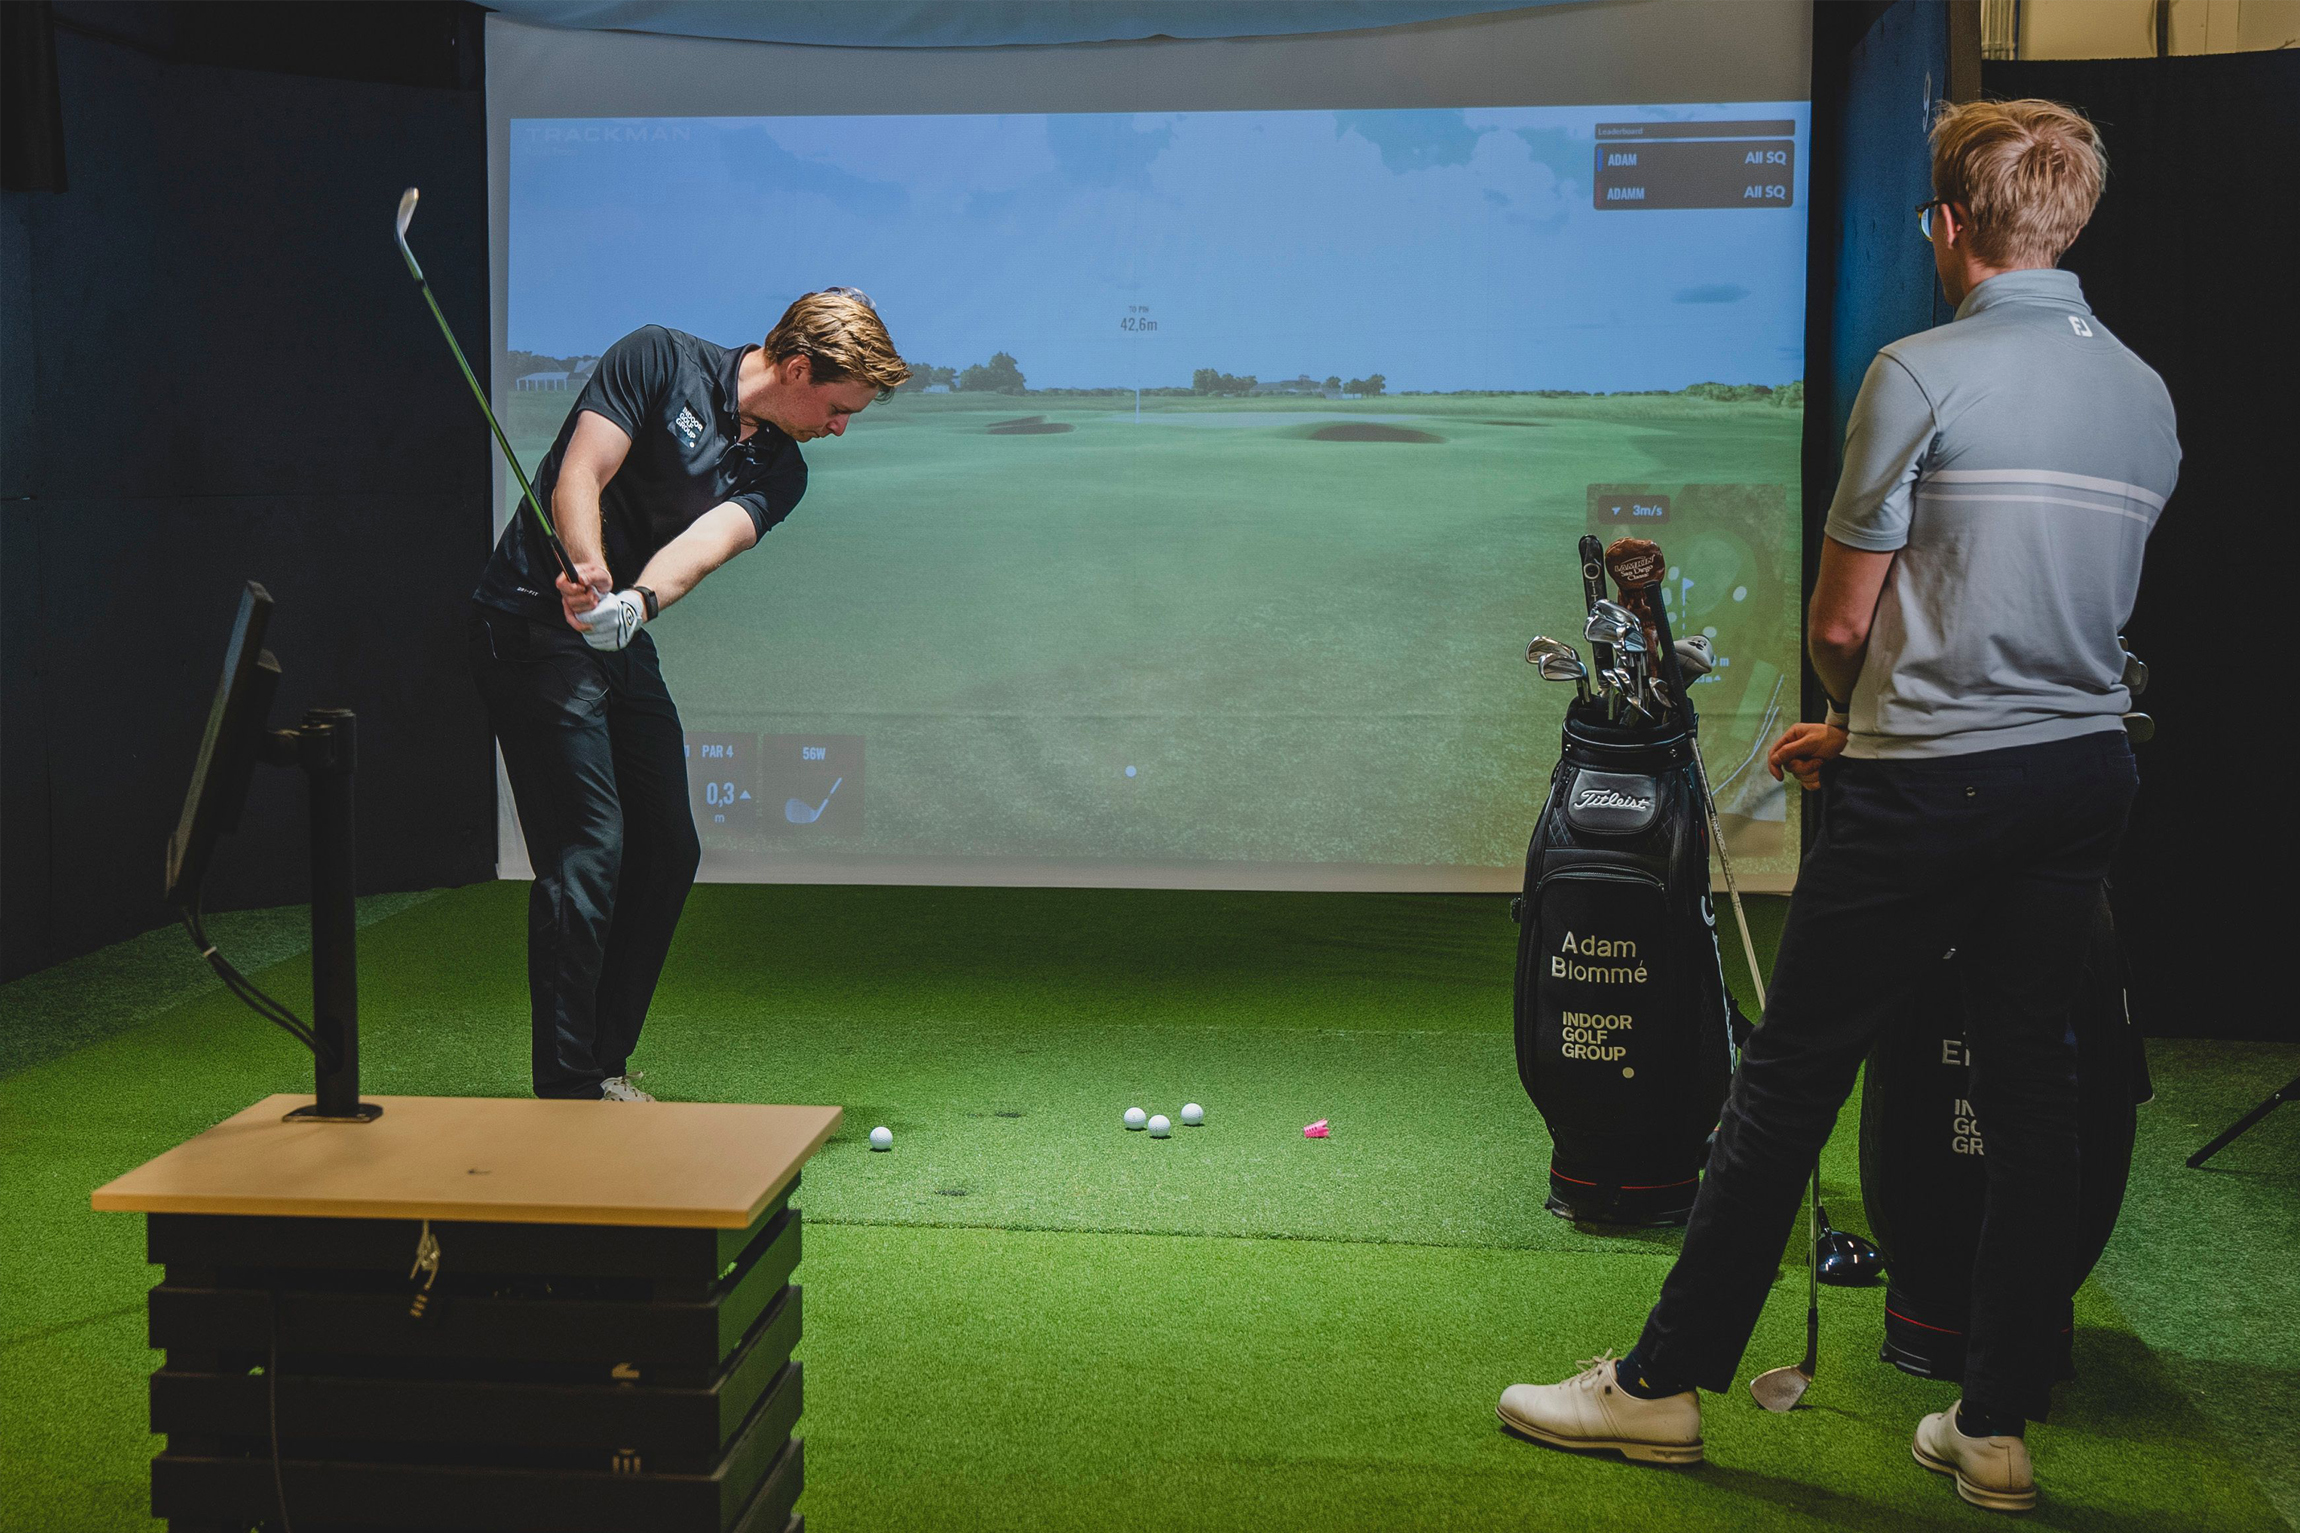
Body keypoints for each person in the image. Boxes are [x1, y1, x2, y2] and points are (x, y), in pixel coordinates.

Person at [1494, 99, 2177, 1513]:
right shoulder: (2144, 391)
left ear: (1950, 225)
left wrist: (1861, 717)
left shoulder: (1918, 371)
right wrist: (1866, 727)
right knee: (2031, 1090)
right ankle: (1991, 1425)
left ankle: (1659, 1386)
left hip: (1927, 787)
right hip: (2078, 776)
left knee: (1790, 1077)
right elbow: (2037, 618)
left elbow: (1842, 625)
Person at [469, 292, 909, 1101]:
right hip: (531, 622)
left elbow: (707, 543)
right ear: (798, 368)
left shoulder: (781, 469)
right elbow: (580, 473)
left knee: (669, 847)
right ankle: (568, 1086)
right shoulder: (658, 358)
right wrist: (588, 567)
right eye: (839, 408)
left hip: (617, 632)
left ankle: (603, 1065)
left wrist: (633, 603)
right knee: (588, 847)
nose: (841, 427)